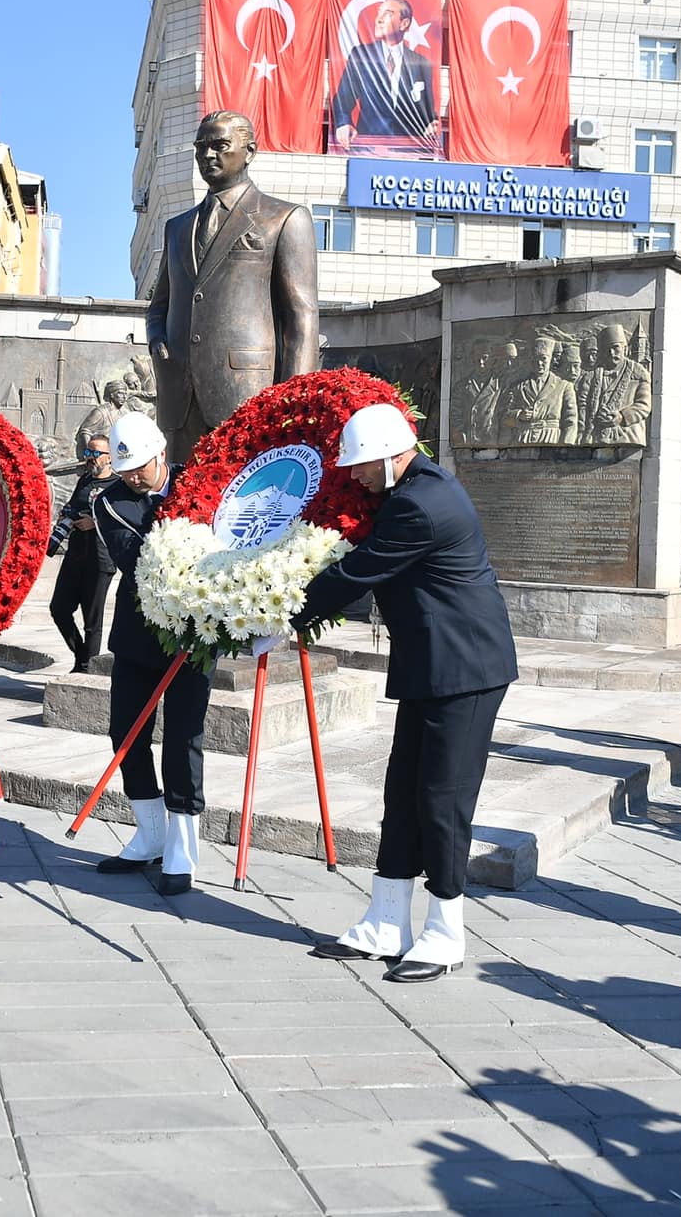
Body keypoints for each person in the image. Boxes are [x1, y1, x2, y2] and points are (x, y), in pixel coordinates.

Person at [300, 405, 519, 982]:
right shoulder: (413, 490)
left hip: (465, 669)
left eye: (362, 465)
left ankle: (445, 932)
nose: (355, 475)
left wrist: (282, 610)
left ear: (393, 454)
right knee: (403, 792)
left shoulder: (420, 504)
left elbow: (357, 573)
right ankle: (386, 921)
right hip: (433, 664)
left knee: (443, 800)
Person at [146, 110, 320, 465]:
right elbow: (159, 304)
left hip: (249, 393)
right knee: (183, 507)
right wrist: (157, 340)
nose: (207, 155)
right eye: (201, 147)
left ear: (249, 152)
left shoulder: (283, 218)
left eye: (219, 146)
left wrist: (293, 404)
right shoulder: (177, 228)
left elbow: (302, 318)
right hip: (181, 397)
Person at [91, 412, 213, 895]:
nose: (133, 477)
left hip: (197, 635)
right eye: (125, 470)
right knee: (126, 730)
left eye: (140, 466)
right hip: (140, 633)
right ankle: (150, 834)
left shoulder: (200, 482)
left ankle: (183, 847)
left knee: (184, 738)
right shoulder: (110, 503)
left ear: (162, 453)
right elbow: (135, 559)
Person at [47, 431, 115, 675]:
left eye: (96, 453)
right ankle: (82, 655)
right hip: (75, 556)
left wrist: (95, 523)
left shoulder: (117, 485)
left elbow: (124, 520)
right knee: (59, 609)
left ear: (109, 457)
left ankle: (87, 670)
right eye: (88, 453)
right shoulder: (84, 482)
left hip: (100, 560)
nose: (90, 458)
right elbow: (72, 508)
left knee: (92, 621)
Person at [329, 0, 437, 146]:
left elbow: (428, 112)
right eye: (379, 13)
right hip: (368, 146)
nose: (378, 19)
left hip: (408, 149)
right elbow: (342, 100)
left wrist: (432, 124)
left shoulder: (420, 64)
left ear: (404, 23)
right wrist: (343, 123)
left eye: (388, 14)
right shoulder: (362, 57)